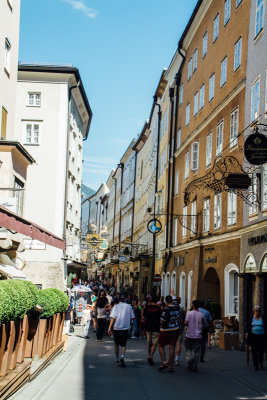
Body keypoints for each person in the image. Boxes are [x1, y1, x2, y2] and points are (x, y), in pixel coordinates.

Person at [108, 294, 135, 367]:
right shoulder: (129, 306)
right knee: (123, 344)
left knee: (116, 344)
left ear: (119, 299)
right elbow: (132, 317)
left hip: (117, 328)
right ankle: (122, 356)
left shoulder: (116, 306)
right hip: (125, 328)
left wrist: (109, 327)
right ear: (125, 299)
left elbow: (112, 318)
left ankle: (117, 359)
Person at [158, 295, 180, 373]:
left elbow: (162, 320)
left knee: (160, 345)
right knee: (172, 348)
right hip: (175, 329)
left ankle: (164, 361)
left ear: (166, 302)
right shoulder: (177, 308)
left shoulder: (166, 310)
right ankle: (170, 367)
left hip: (166, 330)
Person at [184, 300, 204, 372]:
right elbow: (203, 323)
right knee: (197, 351)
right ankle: (195, 365)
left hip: (189, 334)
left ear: (193, 305)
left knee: (188, 349)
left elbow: (186, 323)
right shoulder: (201, 314)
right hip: (198, 335)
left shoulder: (189, 313)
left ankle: (189, 359)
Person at [246, 305, 267, 370]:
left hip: (262, 336)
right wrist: (247, 332)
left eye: (258, 311)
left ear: (260, 312)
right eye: (256, 311)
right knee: (254, 350)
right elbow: (248, 326)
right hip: (253, 336)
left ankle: (260, 363)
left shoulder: (263, 318)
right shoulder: (251, 318)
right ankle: (255, 365)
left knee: (261, 350)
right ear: (254, 311)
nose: (257, 312)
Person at [143, 294, 161, 365]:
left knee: (149, 343)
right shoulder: (159, 309)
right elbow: (161, 319)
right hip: (156, 328)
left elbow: (144, 318)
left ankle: (149, 356)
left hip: (148, 327)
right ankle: (151, 356)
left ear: (151, 300)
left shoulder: (147, 308)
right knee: (154, 343)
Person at [174, 297, 186, 366]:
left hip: (172, 328)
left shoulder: (172, 309)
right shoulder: (182, 310)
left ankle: (171, 358)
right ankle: (177, 359)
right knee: (178, 343)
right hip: (180, 328)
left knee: (172, 345)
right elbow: (184, 320)